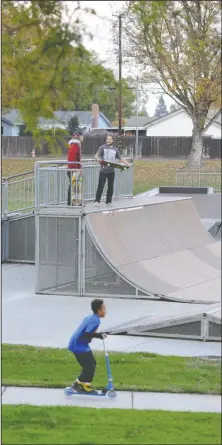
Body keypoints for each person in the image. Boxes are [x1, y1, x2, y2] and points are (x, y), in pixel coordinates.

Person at [68, 299, 108, 394]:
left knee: (91, 364)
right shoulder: (96, 320)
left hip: (79, 344)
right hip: (78, 345)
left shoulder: (91, 317)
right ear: (99, 311)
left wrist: (98, 334)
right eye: (104, 309)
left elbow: (88, 332)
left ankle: (83, 385)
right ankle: (79, 385)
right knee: (89, 366)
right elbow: (87, 334)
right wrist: (98, 336)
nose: (106, 311)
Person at [94, 135, 130, 206]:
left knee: (110, 187)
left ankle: (108, 201)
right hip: (103, 171)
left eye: (110, 139)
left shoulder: (115, 149)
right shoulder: (102, 147)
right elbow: (96, 155)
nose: (108, 140)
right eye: (107, 139)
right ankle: (97, 201)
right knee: (100, 186)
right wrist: (97, 159)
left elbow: (120, 158)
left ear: (113, 140)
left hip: (111, 171)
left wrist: (127, 163)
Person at [67, 131, 83, 206]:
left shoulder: (75, 145)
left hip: (74, 168)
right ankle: (72, 202)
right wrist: (76, 168)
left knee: (76, 186)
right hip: (74, 169)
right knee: (74, 186)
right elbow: (72, 158)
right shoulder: (75, 145)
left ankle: (76, 202)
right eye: (82, 136)